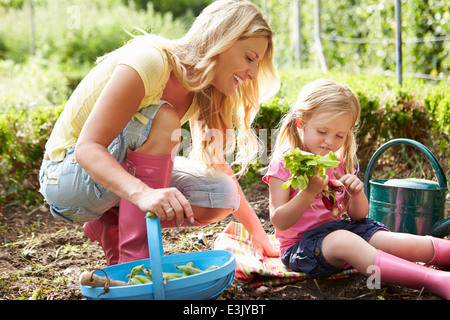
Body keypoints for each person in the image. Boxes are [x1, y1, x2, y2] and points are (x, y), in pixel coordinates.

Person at [39, 0, 280, 266]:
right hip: (65, 178)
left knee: (222, 193)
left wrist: (259, 235)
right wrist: (143, 193)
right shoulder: (152, 61)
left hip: (105, 180)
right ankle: (137, 266)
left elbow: (217, 165)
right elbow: (88, 148)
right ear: (219, 38)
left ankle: (112, 225)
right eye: (249, 58)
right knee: (164, 119)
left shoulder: (205, 90)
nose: (254, 74)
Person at [263, 79, 450, 299]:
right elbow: (279, 220)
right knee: (344, 239)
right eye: (322, 131)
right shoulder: (284, 165)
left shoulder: (336, 163)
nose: (330, 142)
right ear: (301, 123)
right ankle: (433, 280)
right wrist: (309, 191)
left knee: (387, 240)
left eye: (339, 136)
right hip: (301, 248)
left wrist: (357, 193)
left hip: (339, 232)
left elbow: (358, 216)